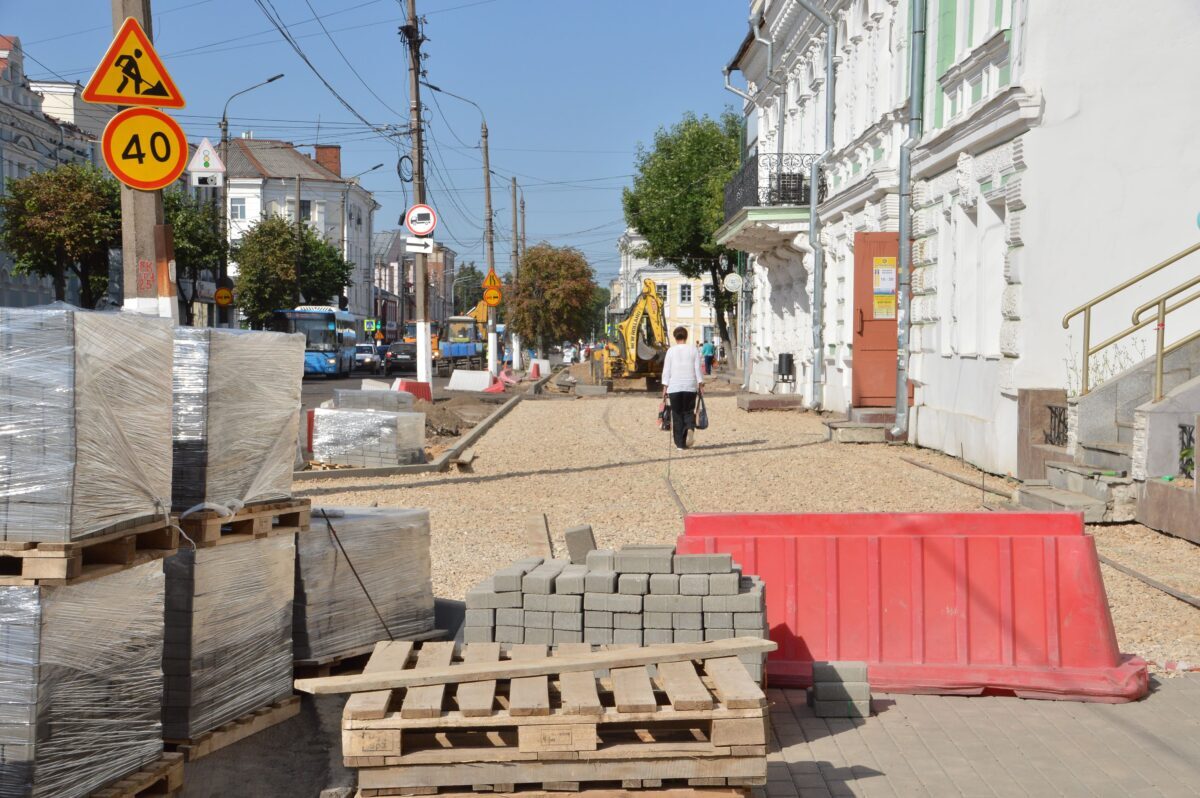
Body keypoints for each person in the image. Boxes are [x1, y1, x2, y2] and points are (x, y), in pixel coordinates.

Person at [661, 326, 704, 451]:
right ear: (686, 336)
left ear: (675, 337)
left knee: (677, 414)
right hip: (690, 386)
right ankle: (690, 428)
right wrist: (700, 384)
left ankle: (680, 444)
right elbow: (697, 369)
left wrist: (665, 386)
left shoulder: (671, 351)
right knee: (688, 411)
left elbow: (667, 370)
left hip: (674, 387)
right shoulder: (693, 350)